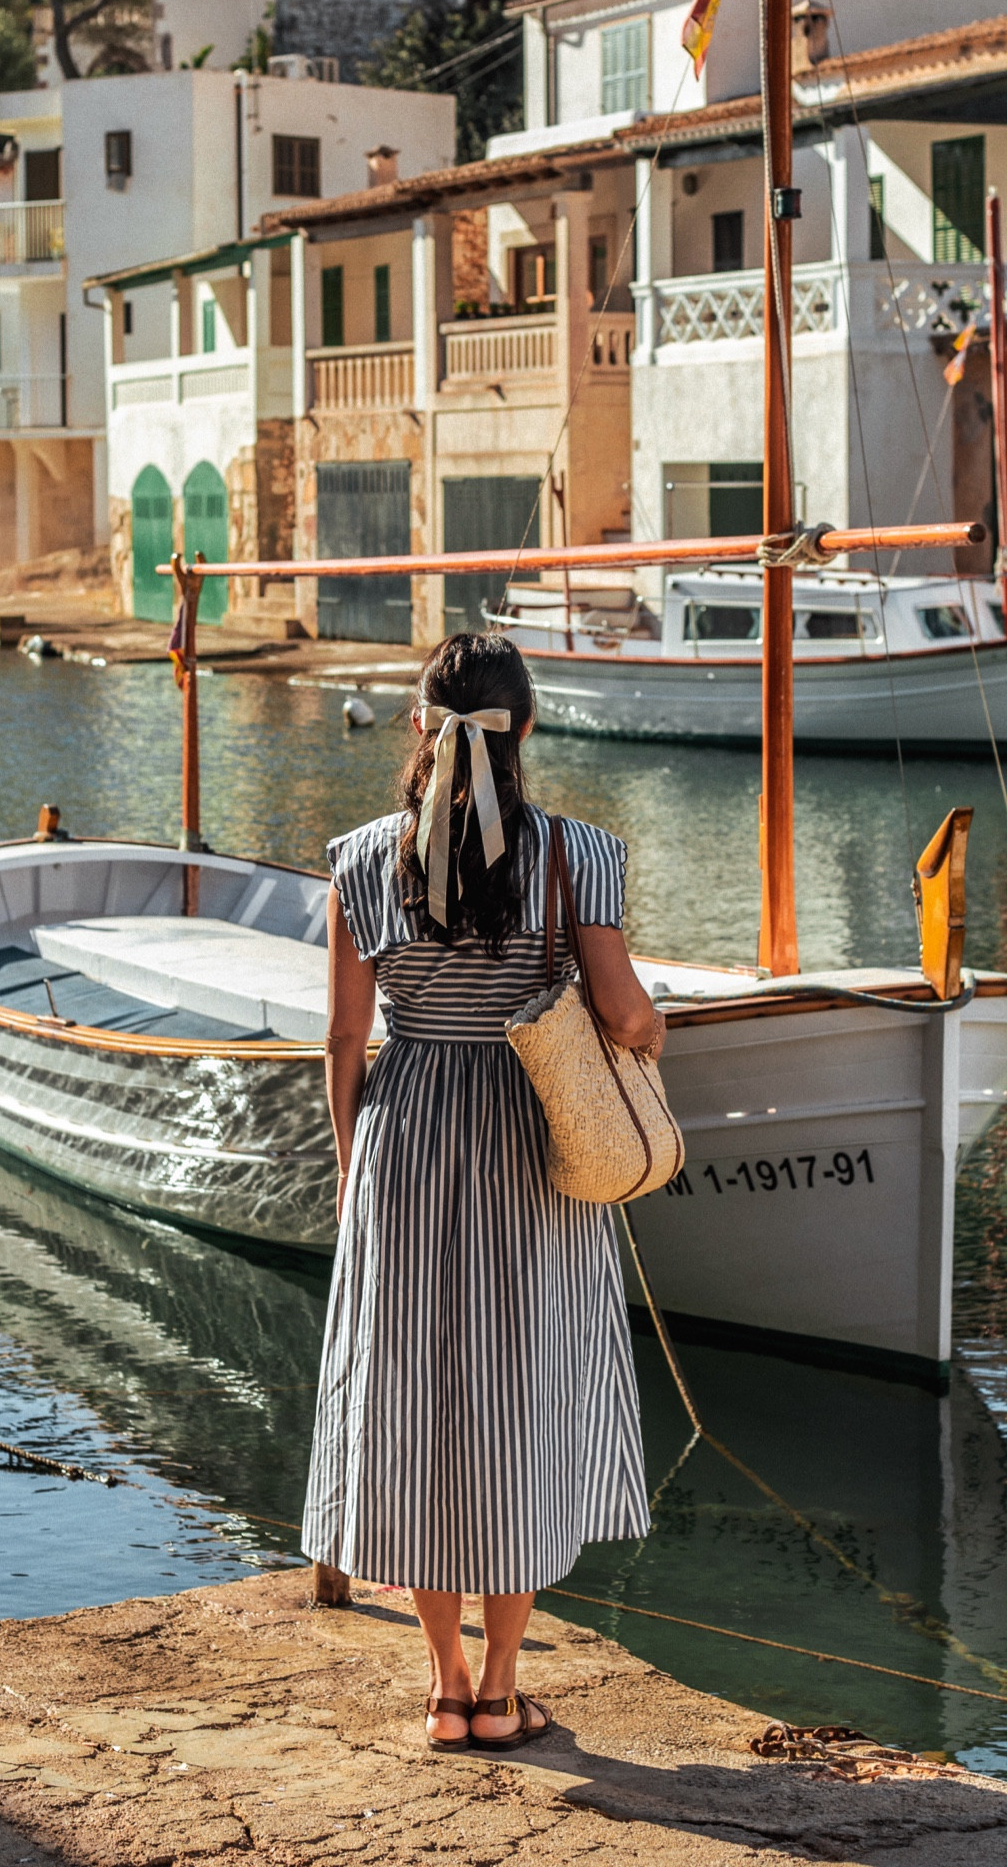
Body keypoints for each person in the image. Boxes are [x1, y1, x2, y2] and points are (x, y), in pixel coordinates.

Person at [303, 631, 663, 1754]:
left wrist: (355, 1162)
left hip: (406, 1138)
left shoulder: (360, 859)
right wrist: (651, 1037)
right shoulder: (578, 857)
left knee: (415, 1407)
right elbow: (621, 1013)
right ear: (529, 730)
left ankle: (443, 1686)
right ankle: (504, 1689)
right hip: (527, 1143)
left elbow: (343, 1037)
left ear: (417, 726)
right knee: (520, 1401)